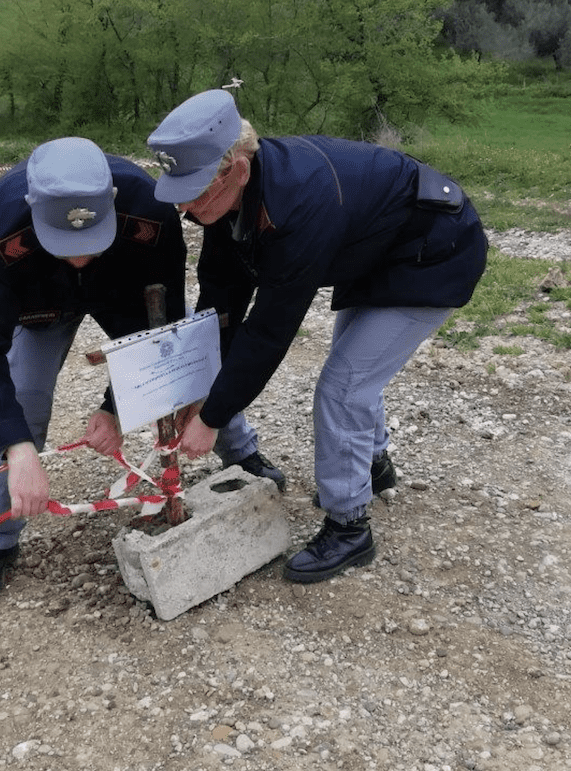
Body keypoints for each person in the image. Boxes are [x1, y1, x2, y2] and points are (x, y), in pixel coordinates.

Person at [147, 90, 488, 584]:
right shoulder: (224, 203)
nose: (185, 205)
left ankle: (350, 528)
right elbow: (220, 302)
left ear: (238, 169)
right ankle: (373, 465)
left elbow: (269, 328)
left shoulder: (299, 201)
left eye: (196, 191)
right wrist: (200, 387)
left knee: (344, 385)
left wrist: (214, 415)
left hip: (434, 252)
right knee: (354, 368)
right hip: (378, 249)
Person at [0, 136, 285, 602]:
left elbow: (161, 326)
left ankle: (240, 450)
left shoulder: (149, 208)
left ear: (111, 202)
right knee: (22, 401)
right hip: (41, 303)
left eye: (89, 240)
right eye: (66, 244)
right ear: (32, 209)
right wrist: (16, 447)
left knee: (187, 359)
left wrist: (116, 407)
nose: (80, 256)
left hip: (123, 292)